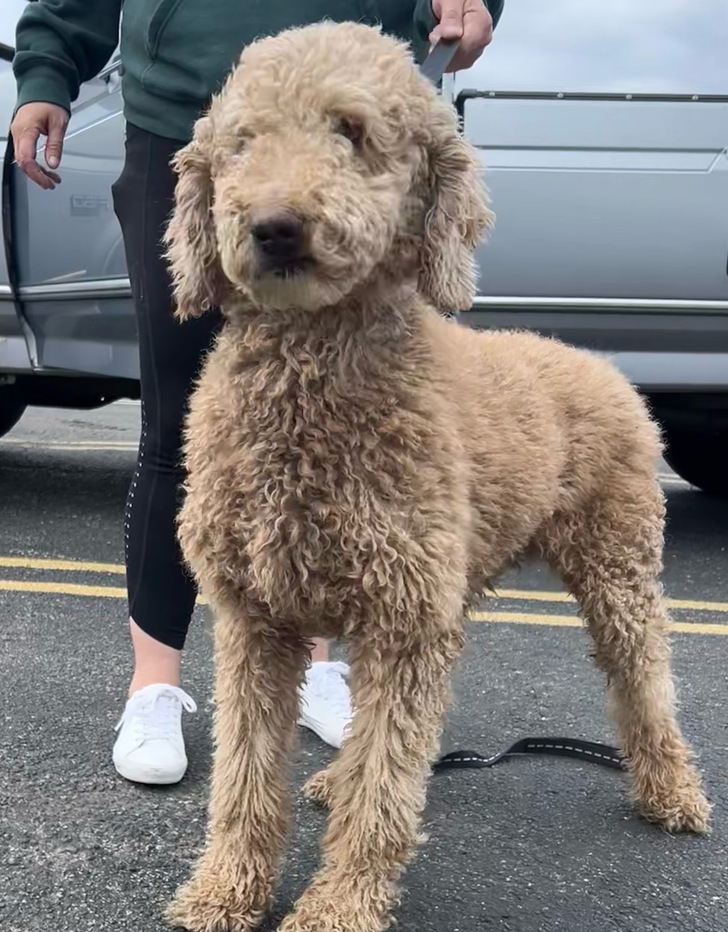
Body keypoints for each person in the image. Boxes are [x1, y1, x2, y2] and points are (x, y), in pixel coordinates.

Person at [11, 0, 503, 786]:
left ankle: (314, 666)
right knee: (179, 428)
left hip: (361, 117)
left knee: (356, 434)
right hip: (189, 120)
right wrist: (46, 70)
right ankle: (156, 684)